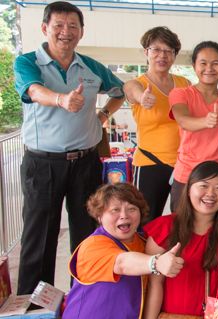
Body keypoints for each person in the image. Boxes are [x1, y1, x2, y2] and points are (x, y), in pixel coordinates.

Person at [13, 1, 125, 295]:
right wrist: (61, 100)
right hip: (43, 164)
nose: (66, 32)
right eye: (59, 26)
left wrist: (102, 116)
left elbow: (120, 91)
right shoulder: (27, 62)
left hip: (86, 163)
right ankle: (34, 305)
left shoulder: (91, 67)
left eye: (73, 26)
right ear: (45, 28)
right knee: (40, 237)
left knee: (88, 234)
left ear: (81, 32)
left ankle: (83, 297)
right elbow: (33, 91)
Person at [143, 161, 218, 317]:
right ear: (188, 190)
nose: (211, 193)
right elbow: (155, 285)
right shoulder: (164, 228)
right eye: (203, 186)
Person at [63, 183, 183, 319]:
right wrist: (156, 263)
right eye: (115, 210)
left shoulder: (144, 242)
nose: (124, 215)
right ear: (99, 216)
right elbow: (122, 263)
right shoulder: (93, 246)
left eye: (131, 209)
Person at [123, 26, 190, 221]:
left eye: (168, 51)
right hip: (149, 164)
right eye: (156, 49)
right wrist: (141, 98)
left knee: (184, 220)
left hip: (183, 163)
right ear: (146, 52)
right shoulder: (139, 84)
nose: (162, 55)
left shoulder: (184, 84)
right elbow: (131, 90)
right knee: (145, 220)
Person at [169, 41, 218, 211]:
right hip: (187, 177)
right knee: (184, 233)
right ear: (194, 65)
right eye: (203, 63)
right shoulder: (180, 94)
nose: (209, 68)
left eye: (216, 63)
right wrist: (205, 121)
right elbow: (182, 120)